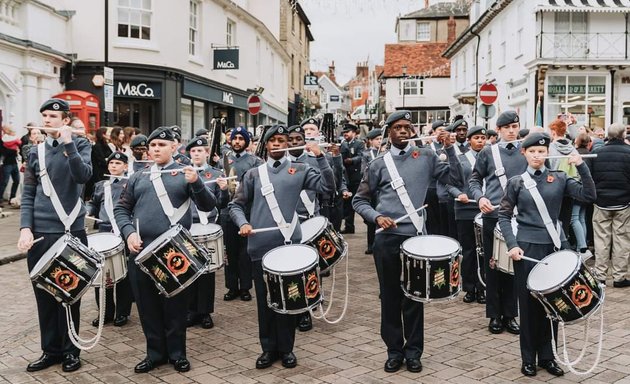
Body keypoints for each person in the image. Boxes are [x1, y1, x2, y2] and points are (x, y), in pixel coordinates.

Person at [353, 110, 458, 373]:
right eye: (397, 127)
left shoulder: (425, 156)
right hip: (387, 240)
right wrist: (377, 218)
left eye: (407, 127)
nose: (403, 131)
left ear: (412, 131)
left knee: (414, 297)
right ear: (388, 131)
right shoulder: (377, 164)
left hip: (415, 239)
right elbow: (359, 200)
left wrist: (450, 148)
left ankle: (413, 352)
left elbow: (454, 179)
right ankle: (394, 351)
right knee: (390, 297)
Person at [229, 125, 334, 370]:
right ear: (266, 145)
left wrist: (321, 157)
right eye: (272, 140)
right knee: (265, 302)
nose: (277, 144)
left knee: (288, 300)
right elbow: (236, 205)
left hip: (289, 246)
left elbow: (328, 189)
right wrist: (243, 223)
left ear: (288, 144)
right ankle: (268, 349)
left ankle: (287, 349)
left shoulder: (300, 169)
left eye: (282, 140)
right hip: (260, 246)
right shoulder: (254, 174)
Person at [114, 126, 217, 373]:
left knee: (176, 306)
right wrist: (128, 233)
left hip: (174, 253)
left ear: (174, 147)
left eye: (162, 145)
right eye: (153, 145)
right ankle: (155, 354)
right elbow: (122, 209)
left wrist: (198, 183)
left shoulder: (185, 173)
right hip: (141, 252)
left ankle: (177, 353)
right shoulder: (138, 177)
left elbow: (208, 205)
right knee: (147, 307)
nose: (156, 149)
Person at [498, 132, 596, 377]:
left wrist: (581, 165)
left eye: (541, 152)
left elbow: (589, 195)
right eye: (532, 151)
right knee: (529, 305)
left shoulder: (560, 177)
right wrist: (512, 244)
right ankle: (528, 358)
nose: (537, 155)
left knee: (553, 305)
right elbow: (504, 216)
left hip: (555, 248)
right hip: (527, 249)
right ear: (524, 153)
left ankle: (548, 356)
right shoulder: (516, 182)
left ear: (547, 153)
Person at [17, 98, 92, 372]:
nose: (47, 120)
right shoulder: (34, 151)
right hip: (41, 234)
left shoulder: (81, 144)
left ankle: (71, 350)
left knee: (70, 295)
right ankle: (50, 351)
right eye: (44, 115)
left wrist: (69, 144)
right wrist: (25, 227)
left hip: (70, 232)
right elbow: (28, 194)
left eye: (52, 116)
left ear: (65, 120)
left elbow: (83, 176)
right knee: (44, 296)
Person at [469, 110, 527, 335]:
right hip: (492, 215)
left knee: (514, 266)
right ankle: (494, 315)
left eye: (515, 127)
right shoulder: (487, 152)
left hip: (517, 217)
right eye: (507, 128)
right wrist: (480, 197)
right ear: (500, 130)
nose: (512, 131)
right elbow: (475, 179)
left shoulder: (525, 151)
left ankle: (511, 314)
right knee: (492, 264)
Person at [185, 137, 229, 329]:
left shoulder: (216, 173)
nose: (196, 154)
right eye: (193, 151)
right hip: (188, 226)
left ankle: (204, 312)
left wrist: (225, 190)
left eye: (200, 151)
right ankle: (190, 311)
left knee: (207, 272)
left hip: (208, 226)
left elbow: (222, 203)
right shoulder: (181, 174)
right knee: (189, 270)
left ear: (206, 153)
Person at [86, 151, 133, 327]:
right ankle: (105, 312)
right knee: (102, 275)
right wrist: (88, 210)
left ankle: (122, 313)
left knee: (122, 274)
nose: (114, 166)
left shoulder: (130, 183)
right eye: (111, 163)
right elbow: (93, 202)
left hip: (123, 230)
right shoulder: (101, 185)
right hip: (104, 232)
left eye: (118, 164)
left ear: (125, 167)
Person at [220, 126, 262, 301]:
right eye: (235, 138)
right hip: (226, 214)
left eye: (241, 139)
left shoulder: (255, 161)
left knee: (245, 253)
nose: (237, 141)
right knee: (229, 252)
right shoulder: (223, 160)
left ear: (247, 142)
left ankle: (245, 287)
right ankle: (231, 287)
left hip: (246, 213)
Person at [586, 123, 630, 288]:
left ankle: (600, 275)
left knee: (601, 240)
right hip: (624, 203)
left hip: (601, 202)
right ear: (623, 134)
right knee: (622, 240)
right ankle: (619, 277)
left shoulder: (596, 153)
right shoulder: (629, 153)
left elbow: (589, 177)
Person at [448, 125, 487, 304]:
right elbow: (449, 184)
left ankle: (482, 287)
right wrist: (458, 194)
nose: (480, 141)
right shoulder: (460, 159)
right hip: (465, 209)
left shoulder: (491, 158)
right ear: (469, 140)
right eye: (476, 138)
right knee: (469, 250)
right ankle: (469, 288)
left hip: (486, 209)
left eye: (482, 138)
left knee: (485, 251)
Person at [339, 123, 365, 234]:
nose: (345, 134)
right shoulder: (343, 144)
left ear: (354, 133)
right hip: (346, 176)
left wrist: (352, 160)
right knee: (347, 203)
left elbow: (361, 156)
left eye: (347, 132)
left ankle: (369, 221)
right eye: (344, 133)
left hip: (355, 177)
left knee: (357, 201)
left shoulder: (359, 143)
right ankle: (349, 226)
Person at [361, 128, 383, 255]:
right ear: (371, 141)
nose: (380, 141)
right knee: (371, 219)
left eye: (381, 139)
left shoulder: (385, 152)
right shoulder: (366, 154)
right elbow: (363, 170)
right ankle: (370, 244)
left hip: (382, 190)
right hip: (372, 189)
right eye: (377, 139)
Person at [0, 124, 22, 207]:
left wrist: (16, 150)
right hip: (6, 164)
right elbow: (4, 152)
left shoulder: (14, 138)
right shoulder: (2, 140)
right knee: (4, 182)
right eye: (9, 129)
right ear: (6, 130)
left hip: (14, 163)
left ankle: (12, 199)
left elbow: (20, 146)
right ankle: (0, 200)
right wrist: (14, 150)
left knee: (17, 181)